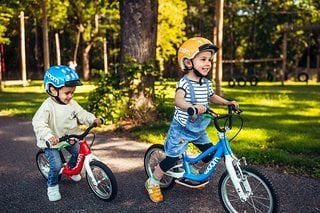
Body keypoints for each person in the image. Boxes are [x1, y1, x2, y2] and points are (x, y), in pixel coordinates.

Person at [145, 37, 239, 203]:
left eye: (209, 59)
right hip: (181, 129)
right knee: (172, 159)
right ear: (188, 63)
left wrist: (227, 103)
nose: (208, 63)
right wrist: (190, 107)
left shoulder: (206, 83)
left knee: (209, 155)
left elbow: (212, 97)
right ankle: (153, 181)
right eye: (203, 59)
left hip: (198, 129)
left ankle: (191, 164)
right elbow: (178, 100)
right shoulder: (185, 83)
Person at [32, 65, 103, 202]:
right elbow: (39, 123)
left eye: (72, 92)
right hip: (52, 141)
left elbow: (81, 114)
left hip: (70, 137)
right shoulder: (47, 106)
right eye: (67, 93)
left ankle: (71, 169)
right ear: (53, 90)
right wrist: (49, 136)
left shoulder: (72, 103)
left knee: (78, 152)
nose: (70, 96)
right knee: (56, 165)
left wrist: (92, 119)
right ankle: (52, 186)